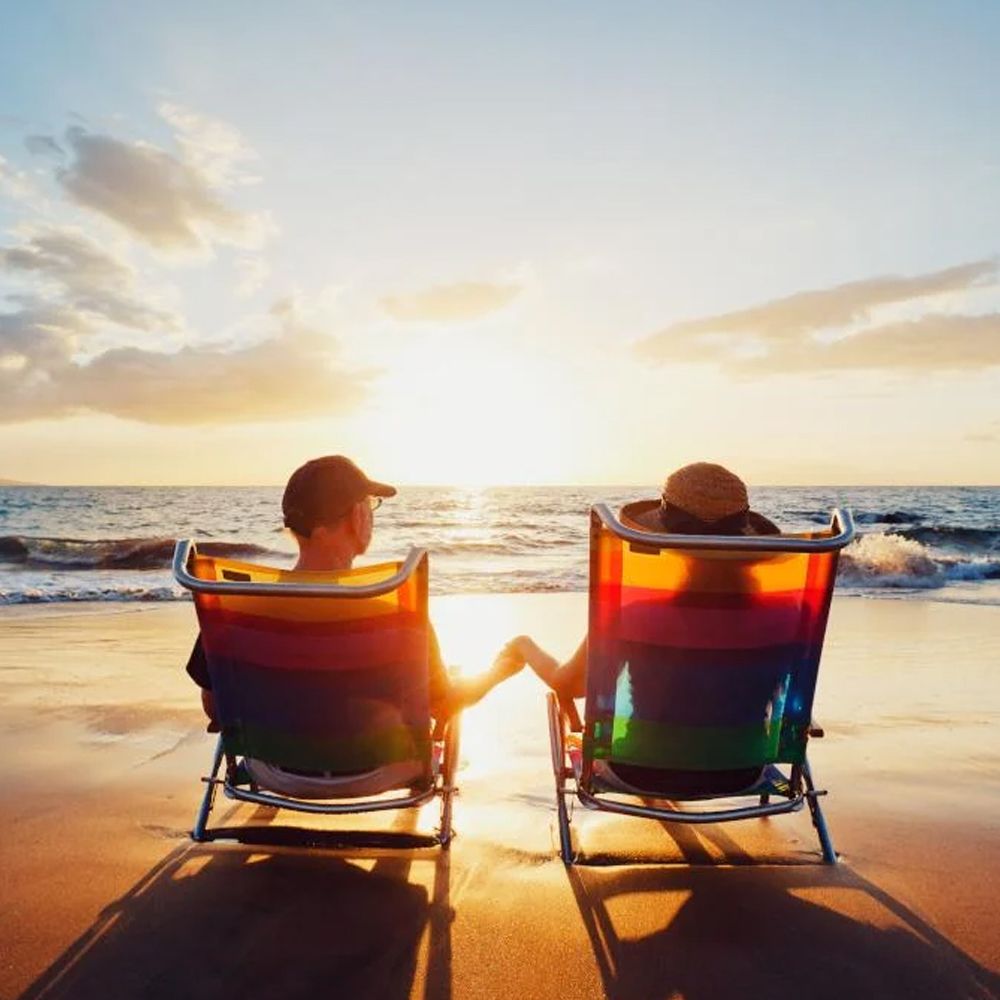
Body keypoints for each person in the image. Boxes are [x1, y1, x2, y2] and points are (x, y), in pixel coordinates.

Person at [186, 456, 524, 790]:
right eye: (370, 505)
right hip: (382, 771)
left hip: (272, 771)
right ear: (358, 517)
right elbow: (443, 705)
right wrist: (497, 672)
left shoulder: (242, 609)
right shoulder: (394, 613)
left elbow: (215, 706)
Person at [501, 462, 780, 795]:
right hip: (743, 773)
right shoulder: (780, 620)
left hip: (637, 772)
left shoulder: (634, 615)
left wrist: (525, 646)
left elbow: (570, 684)